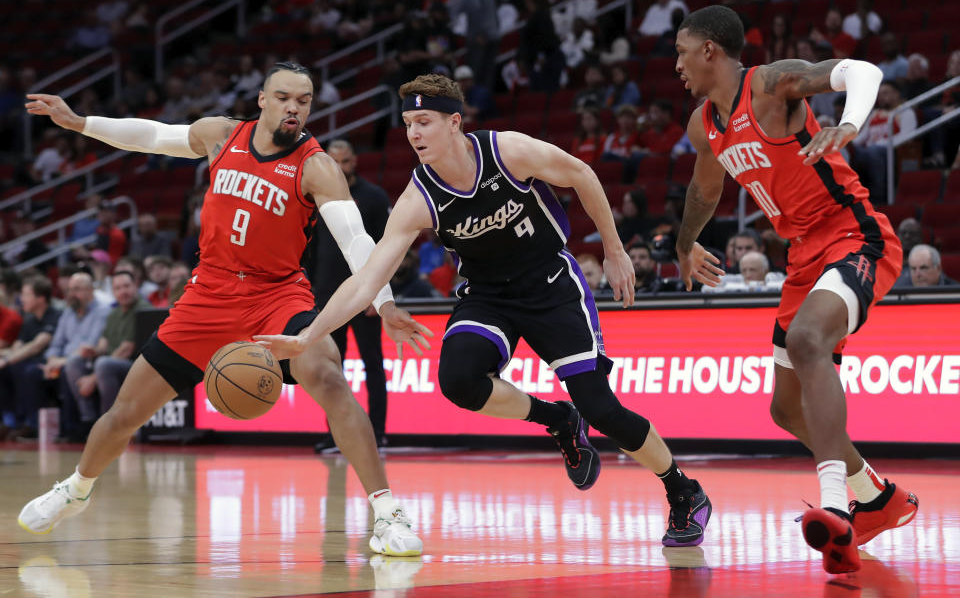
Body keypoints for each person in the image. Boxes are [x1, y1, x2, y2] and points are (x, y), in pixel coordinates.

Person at [256, 73, 713, 548]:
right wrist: (310, 335)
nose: (414, 134)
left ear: (454, 122)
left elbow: (581, 173)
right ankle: (557, 420)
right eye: (408, 123)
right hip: (487, 295)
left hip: (550, 284)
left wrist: (615, 250)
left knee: (602, 409)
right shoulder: (418, 197)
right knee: (458, 380)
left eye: (425, 122)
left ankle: (684, 491)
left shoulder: (507, 151)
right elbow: (367, 278)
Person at [19, 62, 426, 557]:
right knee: (125, 412)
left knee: (330, 378)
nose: (294, 107)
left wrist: (383, 304)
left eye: (304, 100)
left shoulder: (316, 166)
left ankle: (387, 515)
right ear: (262, 99)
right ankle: (76, 489)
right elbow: (152, 135)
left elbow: (356, 241)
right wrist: (82, 123)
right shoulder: (221, 135)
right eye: (283, 97)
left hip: (276, 296)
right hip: (208, 295)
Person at [673, 6, 917, 574]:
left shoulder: (771, 83)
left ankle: (838, 506)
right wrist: (686, 244)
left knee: (808, 341)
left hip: (854, 233)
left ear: (710, 50)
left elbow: (862, 72)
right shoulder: (703, 124)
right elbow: (705, 190)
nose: (678, 65)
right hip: (802, 254)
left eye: (683, 52)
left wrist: (850, 123)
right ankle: (879, 499)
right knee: (785, 409)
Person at [308, 139, 392, 453]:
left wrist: (379, 293)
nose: (341, 168)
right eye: (335, 162)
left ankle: (379, 434)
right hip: (327, 297)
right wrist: (311, 294)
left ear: (354, 161)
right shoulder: (318, 197)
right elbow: (311, 251)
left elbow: (388, 248)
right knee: (331, 369)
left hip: (364, 294)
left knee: (373, 364)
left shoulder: (373, 197)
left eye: (345, 161)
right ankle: (336, 437)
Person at [62, 271, 150, 431]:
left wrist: (93, 378)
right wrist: (92, 351)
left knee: (103, 365)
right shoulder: (115, 312)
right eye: (117, 288)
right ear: (113, 292)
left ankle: (109, 426)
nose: (123, 291)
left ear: (135, 286)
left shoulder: (142, 309)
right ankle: (88, 419)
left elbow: (126, 350)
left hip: (138, 366)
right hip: (113, 364)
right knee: (74, 362)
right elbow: (104, 344)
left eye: (126, 286)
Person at [42, 271, 111, 441]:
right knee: (30, 372)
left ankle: (86, 420)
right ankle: (36, 427)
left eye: (77, 289)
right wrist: (51, 360)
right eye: (70, 290)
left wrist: (61, 361)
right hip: (62, 362)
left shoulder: (102, 311)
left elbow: (90, 348)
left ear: (90, 290)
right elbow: (55, 345)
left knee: (71, 365)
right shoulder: (68, 313)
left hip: (86, 362)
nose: (72, 294)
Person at [0, 275, 60, 441]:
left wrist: (6, 359)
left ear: (40, 298)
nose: (21, 298)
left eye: (26, 294)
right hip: (29, 364)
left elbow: (37, 345)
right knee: (7, 371)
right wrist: (6, 357)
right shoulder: (28, 320)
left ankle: (32, 423)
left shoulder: (54, 315)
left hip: (52, 366)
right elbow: (17, 347)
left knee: (26, 370)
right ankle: (11, 421)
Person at [893, 244, 958, 288]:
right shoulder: (900, 289)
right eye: (913, 269)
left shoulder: (955, 291)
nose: (917, 274)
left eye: (923, 268)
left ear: (938, 269)